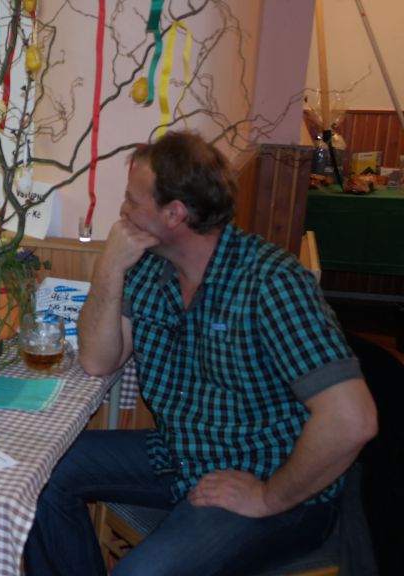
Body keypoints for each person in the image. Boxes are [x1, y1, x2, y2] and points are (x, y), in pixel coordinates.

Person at [23, 131, 378, 575]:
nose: (123, 210)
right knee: (39, 475)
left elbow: (352, 420)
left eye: (132, 200)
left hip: (273, 479)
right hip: (180, 454)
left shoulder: (270, 281)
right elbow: (98, 361)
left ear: (174, 213)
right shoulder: (149, 267)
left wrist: (268, 497)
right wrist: (109, 267)